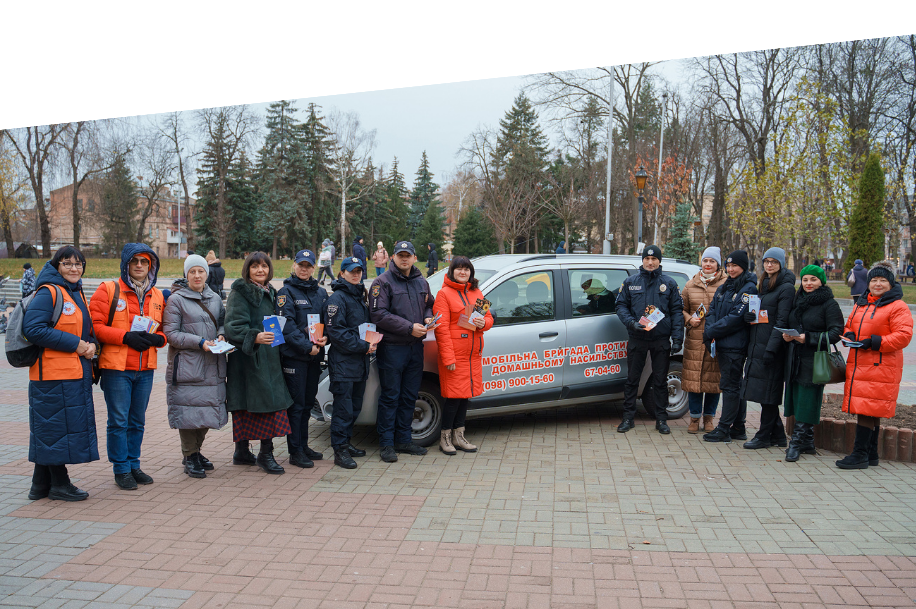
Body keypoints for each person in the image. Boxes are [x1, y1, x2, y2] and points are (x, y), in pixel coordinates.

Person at [23, 247, 97, 501]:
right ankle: (59, 484)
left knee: (53, 430)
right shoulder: (49, 292)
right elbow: (33, 329)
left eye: (79, 264)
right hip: (52, 376)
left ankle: (40, 485)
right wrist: (76, 345)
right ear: (57, 266)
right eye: (67, 264)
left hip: (71, 373)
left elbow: (84, 328)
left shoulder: (74, 292)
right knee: (55, 429)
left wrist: (92, 343)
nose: (74, 269)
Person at [90, 243, 167, 490]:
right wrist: (125, 337)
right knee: (119, 420)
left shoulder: (157, 295)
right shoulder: (108, 290)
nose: (140, 266)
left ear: (151, 266)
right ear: (126, 264)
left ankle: (134, 464)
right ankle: (121, 468)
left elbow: (164, 331)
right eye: (135, 262)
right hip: (116, 368)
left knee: (137, 421)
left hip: (145, 368)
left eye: (145, 262)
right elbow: (95, 327)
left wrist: (160, 339)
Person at [836, 261, 914, 469]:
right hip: (861, 363)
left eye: (882, 280)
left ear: (890, 284)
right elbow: (848, 325)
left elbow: (903, 336)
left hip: (881, 365)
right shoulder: (862, 303)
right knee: (870, 408)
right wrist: (849, 335)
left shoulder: (897, 306)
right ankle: (871, 454)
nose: (878, 284)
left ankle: (859, 455)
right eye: (874, 280)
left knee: (867, 409)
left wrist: (875, 342)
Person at [224, 252, 293, 475]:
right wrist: (255, 336)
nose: (260, 270)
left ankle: (242, 452)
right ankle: (265, 454)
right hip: (249, 359)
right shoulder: (240, 292)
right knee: (262, 405)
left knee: (264, 403)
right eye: (255, 267)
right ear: (248, 270)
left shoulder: (270, 292)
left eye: (264, 266)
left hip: (267, 357)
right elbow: (233, 326)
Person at [162, 255, 228, 478]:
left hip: (212, 363)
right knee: (188, 410)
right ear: (186, 274)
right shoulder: (176, 300)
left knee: (207, 409)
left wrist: (221, 336)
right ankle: (190, 455)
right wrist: (199, 342)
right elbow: (171, 334)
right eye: (192, 272)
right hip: (189, 366)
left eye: (201, 271)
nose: (197, 275)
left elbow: (222, 323)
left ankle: (195, 451)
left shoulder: (215, 298)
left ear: (207, 274)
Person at [369, 241, 436, 462]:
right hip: (392, 348)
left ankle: (404, 440)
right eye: (400, 255)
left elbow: (429, 304)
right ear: (393, 258)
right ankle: (387, 444)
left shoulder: (421, 282)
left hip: (415, 348)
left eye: (408, 255)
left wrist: (427, 316)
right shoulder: (382, 282)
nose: (404, 259)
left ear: (415, 258)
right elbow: (379, 315)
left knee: (409, 396)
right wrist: (409, 327)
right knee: (390, 397)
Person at [615, 245, 684, 435]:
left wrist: (677, 338)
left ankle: (661, 419)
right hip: (637, 337)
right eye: (647, 259)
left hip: (660, 339)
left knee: (660, 380)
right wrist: (631, 323)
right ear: (643, 260)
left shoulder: (669, 284)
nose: (651, 262)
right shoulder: (631, 282)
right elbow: (621, 306)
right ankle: (628, 417)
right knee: (632, 380)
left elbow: (677, 312)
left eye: (654, 259)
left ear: (659, 261)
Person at [781, 265, 844, 462]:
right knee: (797, 399)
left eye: (813, 280)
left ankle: (796, 444)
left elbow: (836, 333)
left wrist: (807, 338)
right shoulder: (798, 300)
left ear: (821, 281)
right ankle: (808, 442)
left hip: (814, 360)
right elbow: (793, 324)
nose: (808, 283)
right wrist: (788, 335)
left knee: (807, 401)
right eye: (806, 279)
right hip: (795, 358)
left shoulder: (829, 304)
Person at [432, 256, 494, 454]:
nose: (463, 272)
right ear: (451, 271)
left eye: (466, 269)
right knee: (453, 398)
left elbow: (489, 317)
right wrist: (448, 358)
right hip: (455, 356)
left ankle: (459, 436)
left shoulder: (476, 292)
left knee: (465, 396)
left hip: (472, 355)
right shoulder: (444, 294)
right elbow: (441, 330)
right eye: (458, 269)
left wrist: (483, 324)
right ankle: (445, 438)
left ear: (471, 273)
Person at [277, 249, 329, 468]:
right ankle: (295, 451)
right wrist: (308, 347)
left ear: (313, 268)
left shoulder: (321, 293)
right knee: (297, 406)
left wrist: (326, 337)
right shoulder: (285, 293)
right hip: (295, 358)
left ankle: (304, 445)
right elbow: (286, 327)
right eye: (301, 265)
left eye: (309, 266)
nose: (305, 269)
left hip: (315, 357)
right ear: (294, 265)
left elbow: (327, 320)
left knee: (308, 403)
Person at [741, 247, 795, 449]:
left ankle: (763, 435)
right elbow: (762, 314)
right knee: (765, 393)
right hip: (758, 343)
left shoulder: (786, 288)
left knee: (769, 394)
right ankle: (778, 436)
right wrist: (749, 318)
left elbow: (781, 320)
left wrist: (771, 349)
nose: (769, 265)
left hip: (772, 348)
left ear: (781, 263)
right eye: (766, 261)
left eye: (773, 261)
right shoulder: (764, 284)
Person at [324, 257, 376, 469]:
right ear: (342, 273)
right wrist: (363, 346)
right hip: (344, 364)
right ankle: (340, 450)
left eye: (359, 271)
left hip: (359, 364)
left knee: (354, 408)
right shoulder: (337, 299)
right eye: (351, 271)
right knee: (343, 410)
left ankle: (346, 443)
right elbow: (336, 333)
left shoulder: (358, 296)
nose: (356, 274)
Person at [702, 250, 758, 443]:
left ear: (743, 267)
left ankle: (724, 428)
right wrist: (710, 329)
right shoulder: (726, 286)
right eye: (729, 265)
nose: (731, 269)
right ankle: (739, 427)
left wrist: (712, 332)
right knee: (735, 386)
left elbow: (735, 318)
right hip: (722, 343)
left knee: (730, 386)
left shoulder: (748, 288)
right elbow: (712, 311)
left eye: (735, 266)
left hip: (735, 345)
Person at [681, 247, 727, 433]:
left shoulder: (726, 284)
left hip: (716, 340)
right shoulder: (690, 284)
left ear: (718, 264)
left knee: (713, 381)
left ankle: (709, 418)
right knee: (694, 381)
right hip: (695, 340)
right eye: (705, 260)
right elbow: (681, 309)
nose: (708, 264)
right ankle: (694, 418)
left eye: (712, 261)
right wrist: (689, 319)